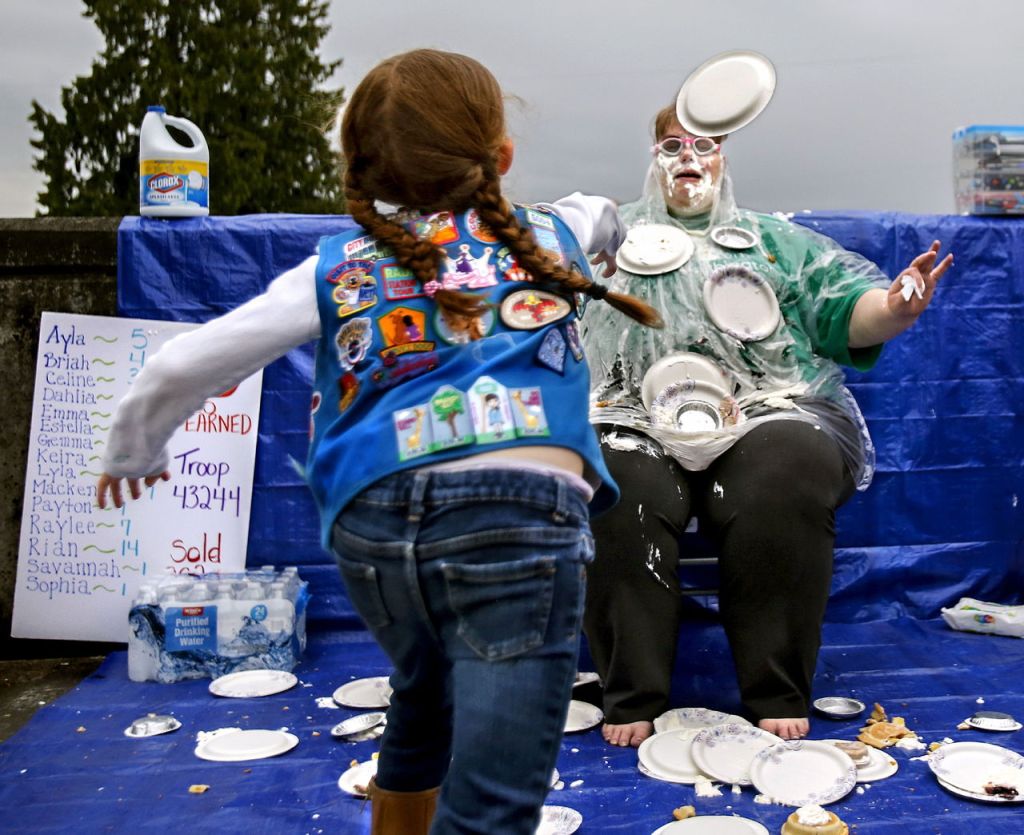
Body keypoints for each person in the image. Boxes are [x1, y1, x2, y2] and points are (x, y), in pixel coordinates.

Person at [96, 49, 661, 835]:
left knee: (423, 689)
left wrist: (134, 450)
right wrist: (606, 244)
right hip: (517, 520)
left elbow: (185, 361)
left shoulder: (334, 268)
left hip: (374, 528)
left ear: (365, 171)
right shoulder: (555, 230)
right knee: (494, 802)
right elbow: (606, 212)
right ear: (501, 156)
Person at [579, 102, 952, 747]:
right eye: (672, 146)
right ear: (654, 158)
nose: (689, 159)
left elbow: (843, 308)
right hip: (626, 411)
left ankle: (775, 686)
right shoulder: (606, 240)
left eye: (703, 146)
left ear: (724, 158)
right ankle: (631, 689)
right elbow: (537, 301)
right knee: (616, 485)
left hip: (765, 406)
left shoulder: (771, 241)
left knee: (784, 472)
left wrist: (892, 308)